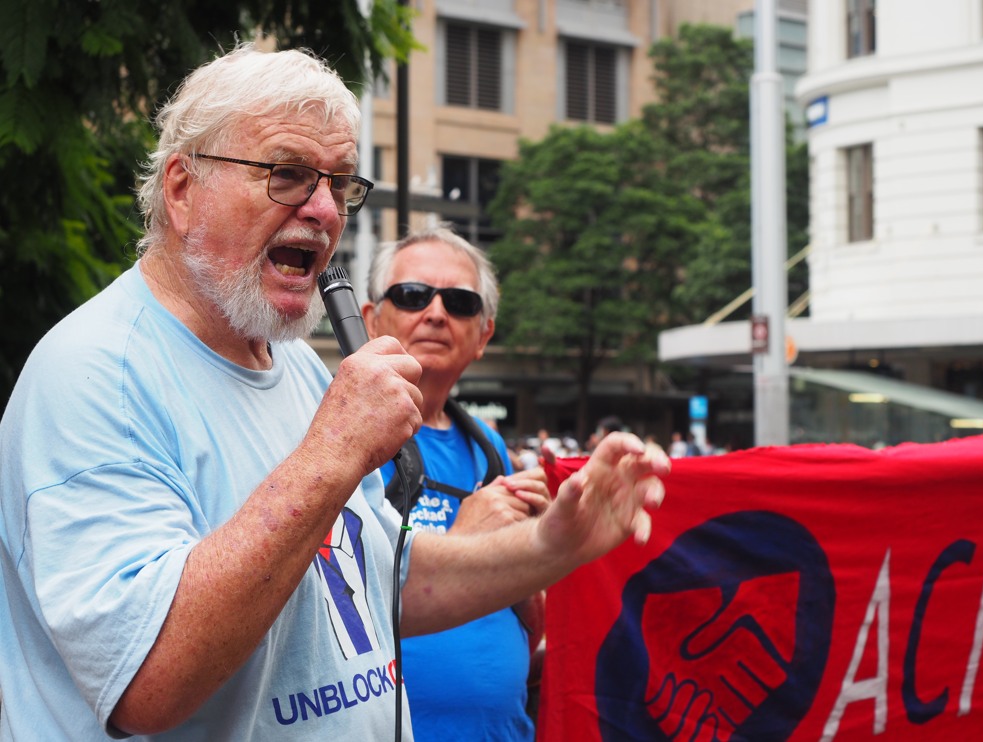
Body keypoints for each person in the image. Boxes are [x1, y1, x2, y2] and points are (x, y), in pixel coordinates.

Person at [0, 45, 669, 741]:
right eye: (286, 174)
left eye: (340, 183)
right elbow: (144, 680)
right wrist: (333, 452)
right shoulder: (95, 375)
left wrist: (553, 544)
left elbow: (380, 581)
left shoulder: (295, 364)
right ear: (181, 190)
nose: (323, 209)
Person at [361, 227, 549, 741]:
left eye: (460, 302)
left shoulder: (490, 448)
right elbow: (326, 600)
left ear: (484, 334)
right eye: (413, 295)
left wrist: (541, 546)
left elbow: (529, 608)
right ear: (371, 319)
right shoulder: (336, 434)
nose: (437, 313)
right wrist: (466, 538)